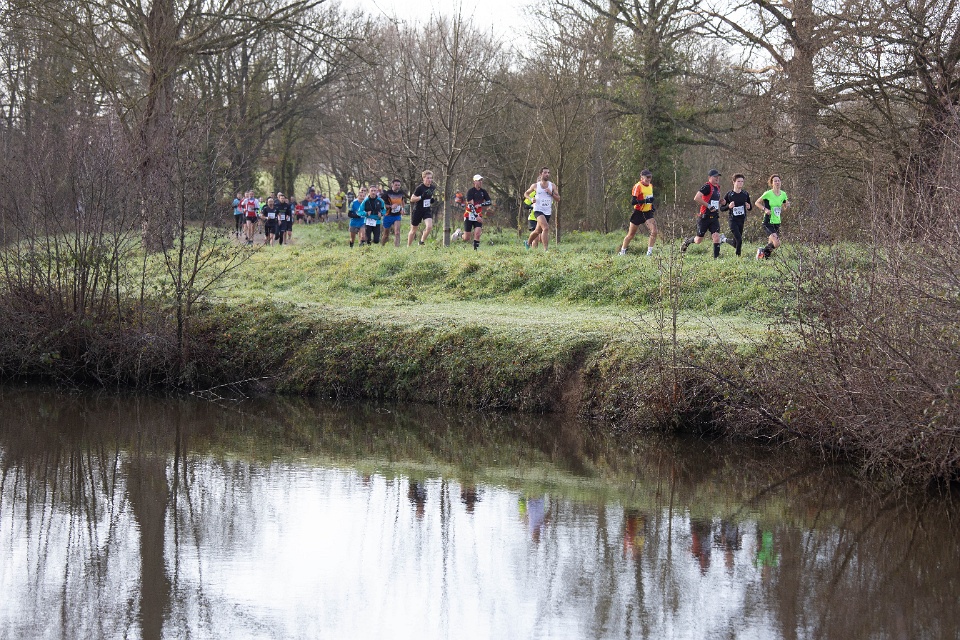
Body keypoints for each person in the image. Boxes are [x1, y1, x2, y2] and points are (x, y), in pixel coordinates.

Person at [681, 169, 727, 258]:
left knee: (716, 237)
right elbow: (696, 198)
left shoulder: (717, 187)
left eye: (718, 176)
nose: (717, 178)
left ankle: (716, 259)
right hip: (704, 217)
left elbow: (712, 200)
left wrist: (721, 202)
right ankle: (687, 242)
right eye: (715, 176)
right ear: (709, 177)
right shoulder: (707, 186)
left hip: (714, 217)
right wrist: (709, 206)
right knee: (698, 240)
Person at [619, 169, 657, 256]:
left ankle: (649, 253)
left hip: (647, 213)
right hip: (638, 213)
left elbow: (649, 198)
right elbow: (633, 202)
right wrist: (645, 201)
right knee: (631, 235)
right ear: (642, 178)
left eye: (650, 177)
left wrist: (652, 206)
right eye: (647, 177)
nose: (649, 179)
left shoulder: (650, 186)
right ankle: (622, 252)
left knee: (654, 231)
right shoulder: (638, 186)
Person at [524, 167, 560, 251]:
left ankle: (528, 243)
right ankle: (546, 250)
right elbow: (526, 193)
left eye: (548, 173)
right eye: (545, 172)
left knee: (537, 231)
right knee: (546, 228)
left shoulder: (552, 186)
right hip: (538, 210)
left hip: (547, 211)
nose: (547, 174)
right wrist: (531, 199)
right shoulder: (535, 186)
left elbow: (558, 199)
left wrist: (551, 193)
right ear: (540, 174)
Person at [755, 174, 789, 260]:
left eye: (778, 181)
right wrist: (765, 209)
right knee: (777, 243)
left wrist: (787, 205)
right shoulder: (768, 193)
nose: (777, 182)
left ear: (780, 182)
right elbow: (757, 202)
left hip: (777, 221)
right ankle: (761, 251)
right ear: (772, 183)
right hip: (768, 221)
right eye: (775, 181)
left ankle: (764, 258)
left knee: (771, 244)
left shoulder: (783, 194)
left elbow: (785, 208)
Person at [720, 174, 752, 257]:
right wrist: (728, 206)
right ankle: (738, 257)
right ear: (733, 182)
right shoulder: (729, 194)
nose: (740, 183)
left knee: (735, 243)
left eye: (742, 181)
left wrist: (748, 207)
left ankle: (723, 239)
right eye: (738, 181)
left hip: (741, 220)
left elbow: (750, 207)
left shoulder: (745, 194)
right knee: (739, 240)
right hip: (732, 220)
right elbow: (721, 208)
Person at [458, 174, 491, 250]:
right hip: (469, 215)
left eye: (481, 180)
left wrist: (480, 205)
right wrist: (476, 216)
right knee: (467, 238)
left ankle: (476, 251)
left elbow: (489, 202)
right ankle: (459, 234)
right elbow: (471, 205)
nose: (481, 182)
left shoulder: (483, 192)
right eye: (479, 180)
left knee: (477, 233)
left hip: (478, 214)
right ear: (474, 182)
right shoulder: (471, 191)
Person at [408, 170, 437, 246]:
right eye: (428, 178)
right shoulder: (420, 188)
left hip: (426, 210)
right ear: (423, 178)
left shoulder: (432, 187)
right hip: (418, 210)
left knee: (429, 226)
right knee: (413, 230)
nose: (429, 180)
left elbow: (429, 197)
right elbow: (412, 199)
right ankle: (408, 246)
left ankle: (421, 242)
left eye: (431, 178)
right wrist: (421, 197)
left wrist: (431, 200)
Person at [381, 178, 407, 247]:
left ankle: (397, 249)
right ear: (392, 185)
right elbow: (381, 204)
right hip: (388, 215)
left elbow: (402, 201)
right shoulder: (387, 193)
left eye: (399, 185)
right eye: (396, 185)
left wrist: (403, 209)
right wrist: (390, 206)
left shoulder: (401, 193)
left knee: (397, 232)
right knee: (386, 235)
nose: (397, 186)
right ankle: (382, 247)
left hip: (397, 216)